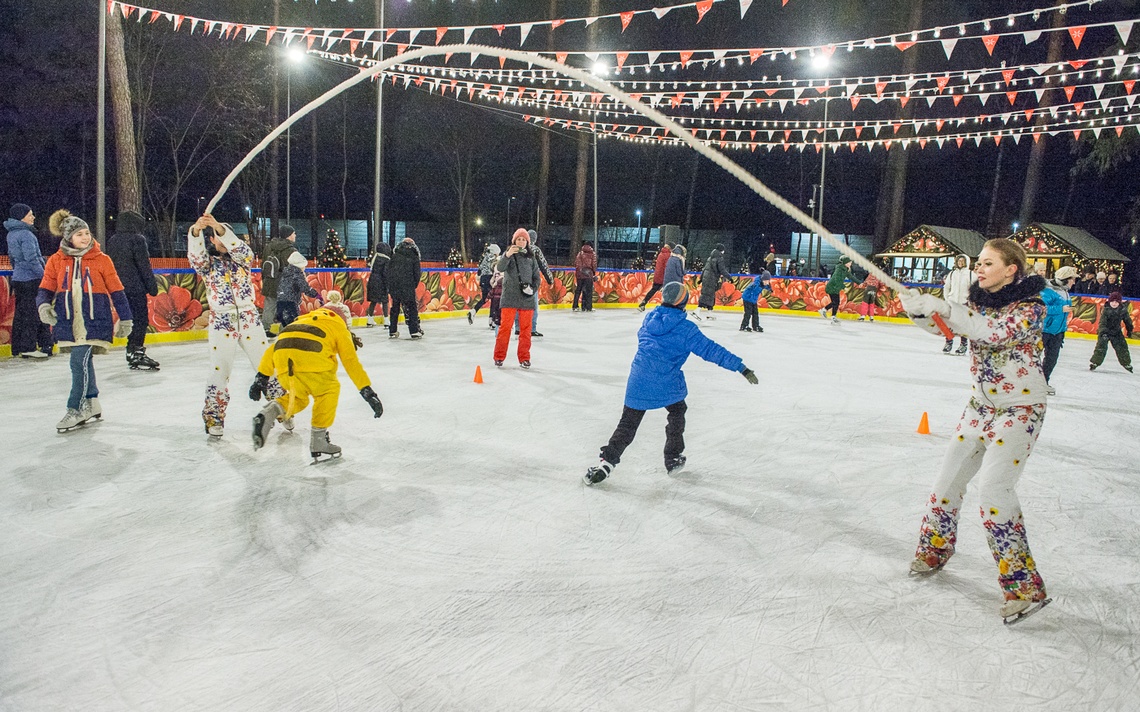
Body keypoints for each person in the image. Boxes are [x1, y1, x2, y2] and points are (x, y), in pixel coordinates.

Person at [899, 238, 1051, 622]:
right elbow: (947, 330)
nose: (979, 269)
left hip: (1019, 409)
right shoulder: (977, 304)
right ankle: (935, 549)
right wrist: (918, 311)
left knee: (995, 494)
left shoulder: (1031, 308)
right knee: (946, 484)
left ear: (1011, 269)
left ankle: (1024, 587)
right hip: (979, 407)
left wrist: (945, 307)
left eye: (987, 263)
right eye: (979, 263)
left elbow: (993, 333)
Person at [583, 281, 758, 485]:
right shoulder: (686, 329)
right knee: (677, 412)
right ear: (683, 302)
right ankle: (672, 458)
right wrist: (741, 367)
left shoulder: (650, 318)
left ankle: (607, 463)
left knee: (628, 424)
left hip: (639, 379)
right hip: (666, 381)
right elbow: (711, 350)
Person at [188, 213, 284, 437]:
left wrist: (218, 227)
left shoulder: (244, 259)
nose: (221, 241)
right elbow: (195, 257)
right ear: (211, 240)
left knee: (266, 364)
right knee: (219, 369)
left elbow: (242, 250)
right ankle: (214, 417)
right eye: (216, 237)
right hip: (222, 321)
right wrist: (196, 231)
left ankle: (282, 408)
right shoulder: (208, 265)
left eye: (225, 235)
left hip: (249, 318)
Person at [37, 210, 133, 431]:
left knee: (78, 362)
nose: (85, 237)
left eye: (87, 233)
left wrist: (125, 318)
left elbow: (117, 291)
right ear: (68, 237)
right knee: (84, 362)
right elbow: (45, 289)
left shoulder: (102, 260)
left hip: (95, 321)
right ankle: (92, 401)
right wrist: (43, 306)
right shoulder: (56, 260)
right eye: (79, 234)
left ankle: (75, 408)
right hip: (68, 322)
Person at [251, 303, 383, 461]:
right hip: (313, 364)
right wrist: (366, 390)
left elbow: (271, 350)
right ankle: (318, 440)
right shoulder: (337, 325)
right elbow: (350, 361)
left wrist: (261, 377)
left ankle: (270, 411)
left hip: (284, 365)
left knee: (299, 398)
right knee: (329, 390)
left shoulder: (299, 321)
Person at [106, 210, 160, 370]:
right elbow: (144, 265)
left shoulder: (113, 240)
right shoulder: (137, 239)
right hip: (135, 287)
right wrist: (152, 287)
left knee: (129, 319)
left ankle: (133, 351)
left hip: (118, 288)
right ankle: (136, 351)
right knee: (140, 320)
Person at [5, 203, 52, 358]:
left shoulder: (11, 234)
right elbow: (32, 259)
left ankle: (17, 346)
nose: (33, 217)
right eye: (30, 214)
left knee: (21, 313)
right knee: (32, 314)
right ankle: (29, 347)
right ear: (21, 217)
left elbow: (13, 258)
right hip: (31, 279)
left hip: (19, 278)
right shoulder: (26, 235)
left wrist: (18, 270)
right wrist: (43, 275)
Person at [494, 228, 540, 369]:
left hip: (527, 299)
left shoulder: (531, 257)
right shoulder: (509, 255)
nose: (521, 242)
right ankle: (499, 356)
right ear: (514, 241)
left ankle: (524, 358)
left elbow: (537, 277)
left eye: (524, 239)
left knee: (526, 331)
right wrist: (507, 255)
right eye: (518, 239)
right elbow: (500, 268)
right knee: (505, 328)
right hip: (510, 298)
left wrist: (532, 289)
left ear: (527, 242)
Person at [258, 224, 301, 338]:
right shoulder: (291, 250)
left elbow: (264, 264)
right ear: (289, 235)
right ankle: (285, 329)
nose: (295, 235)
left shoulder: (269, 246)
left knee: (269, 306)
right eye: (293, 233)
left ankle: (265, 328)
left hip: (270, 281)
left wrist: (265, 279)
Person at [1040, 265, 1077, 394]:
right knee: (1033, 358)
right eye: (1072, 279)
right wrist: (1060, 309)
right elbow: (1041, 309)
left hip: (1058, 331)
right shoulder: (1047, 291)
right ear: (1065, 279)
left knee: (1051, 359)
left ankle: (1043, 383)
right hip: (1044, 330)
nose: (1074, 282)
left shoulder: (1065, 291)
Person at [514, 229, 553, 337]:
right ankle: (532, 328)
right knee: (533, 306)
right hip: (531, 283)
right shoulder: (535, 250)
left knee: (518, 305)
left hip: (517, 282)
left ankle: (518, 328)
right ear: (534, 239)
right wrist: (550, 280)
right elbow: (543, 265)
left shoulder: (516, 249)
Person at [1089, 291, 1133, 373]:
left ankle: (1126, 363)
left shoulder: (1122, 310)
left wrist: (1129, 330)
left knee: (1122, 347)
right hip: (1105, 331)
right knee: (1101, 348)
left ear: (1119, 302)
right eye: (1112, 301)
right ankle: (1095, 362)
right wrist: (1102, 332)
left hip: (1116, 332)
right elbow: (1102, 322)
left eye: (1116, 302)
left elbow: (1128, 321)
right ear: (1109, 301)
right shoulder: (1106, 310)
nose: (1114, 303)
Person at [941, 254, 976, 354]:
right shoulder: (952, 274)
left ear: (966, 262)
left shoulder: (971, 275)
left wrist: (971, 300)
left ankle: (963, 345)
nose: (960, 263)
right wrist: (947, 299)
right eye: (959, 261)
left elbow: (976, 289)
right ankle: (948, 342)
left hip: (964, 303)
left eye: (962, 261)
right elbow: (947, 287)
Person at [275, 256, 319, 327]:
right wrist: (315, 294)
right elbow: (304, 287)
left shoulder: (285, 271)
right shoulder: (297, 273)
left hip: (280, 299)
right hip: (291, 301)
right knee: (293, 321)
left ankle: (283, 333)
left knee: (283, 319)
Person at [696, 243, 731, 320]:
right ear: (721, 250)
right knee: (707, 295)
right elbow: (722, 270)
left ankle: (709, 313)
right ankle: (697, 310)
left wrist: (701, 279)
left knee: (710, 295)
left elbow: (705, 269)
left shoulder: (710, 258)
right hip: (711, 279)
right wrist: (730, 277)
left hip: (706, 278)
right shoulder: (719, 258)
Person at [468, 243, 500, 324]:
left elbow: (479, 270)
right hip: (489, 278)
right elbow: (496, 269)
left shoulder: (485, 257)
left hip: (483, 279)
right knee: (494, 298)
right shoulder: (495, 258)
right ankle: (492, 319)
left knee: (484, 298)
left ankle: (474, 311)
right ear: (496, 252)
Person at [638, 242, 672, 311]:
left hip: (657, 276)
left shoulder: (661, 254)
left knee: (653, 290)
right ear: (669, 248)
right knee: (668, 292)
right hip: (663, 277)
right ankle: (667, 306)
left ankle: (644, 302)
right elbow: (667, 267)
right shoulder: (668, 255)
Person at [820, 255, 854, 323]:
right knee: (836, 302)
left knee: (836, 302)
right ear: (846, 263)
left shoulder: (844, 269)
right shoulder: (839, 269)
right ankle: (829, 314)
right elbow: (837, 279)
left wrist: (859, 283)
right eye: (850, 262)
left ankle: (828, 313)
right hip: (832, 287)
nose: (851, 264)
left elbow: (851, 277)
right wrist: (843, 286)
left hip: (835, 288)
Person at [365, 241, 392, 328]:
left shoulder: (375, 258)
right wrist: (387, 285)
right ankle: (386, 320)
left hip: (372, 281)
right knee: (385, 301)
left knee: (373, 301)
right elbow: (385, 273)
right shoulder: (387, 260)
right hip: (381, 282)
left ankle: (370, 319)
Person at [573, 243, 597, 312]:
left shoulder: (580, 253)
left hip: (580, 274)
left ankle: (575, 306)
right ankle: (587, 307)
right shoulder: (592, 254)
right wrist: (593, 273)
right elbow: (594, 264)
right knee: (588, 291)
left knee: (578, 290)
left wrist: (579, 272)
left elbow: (577, 264)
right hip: (588, 274)